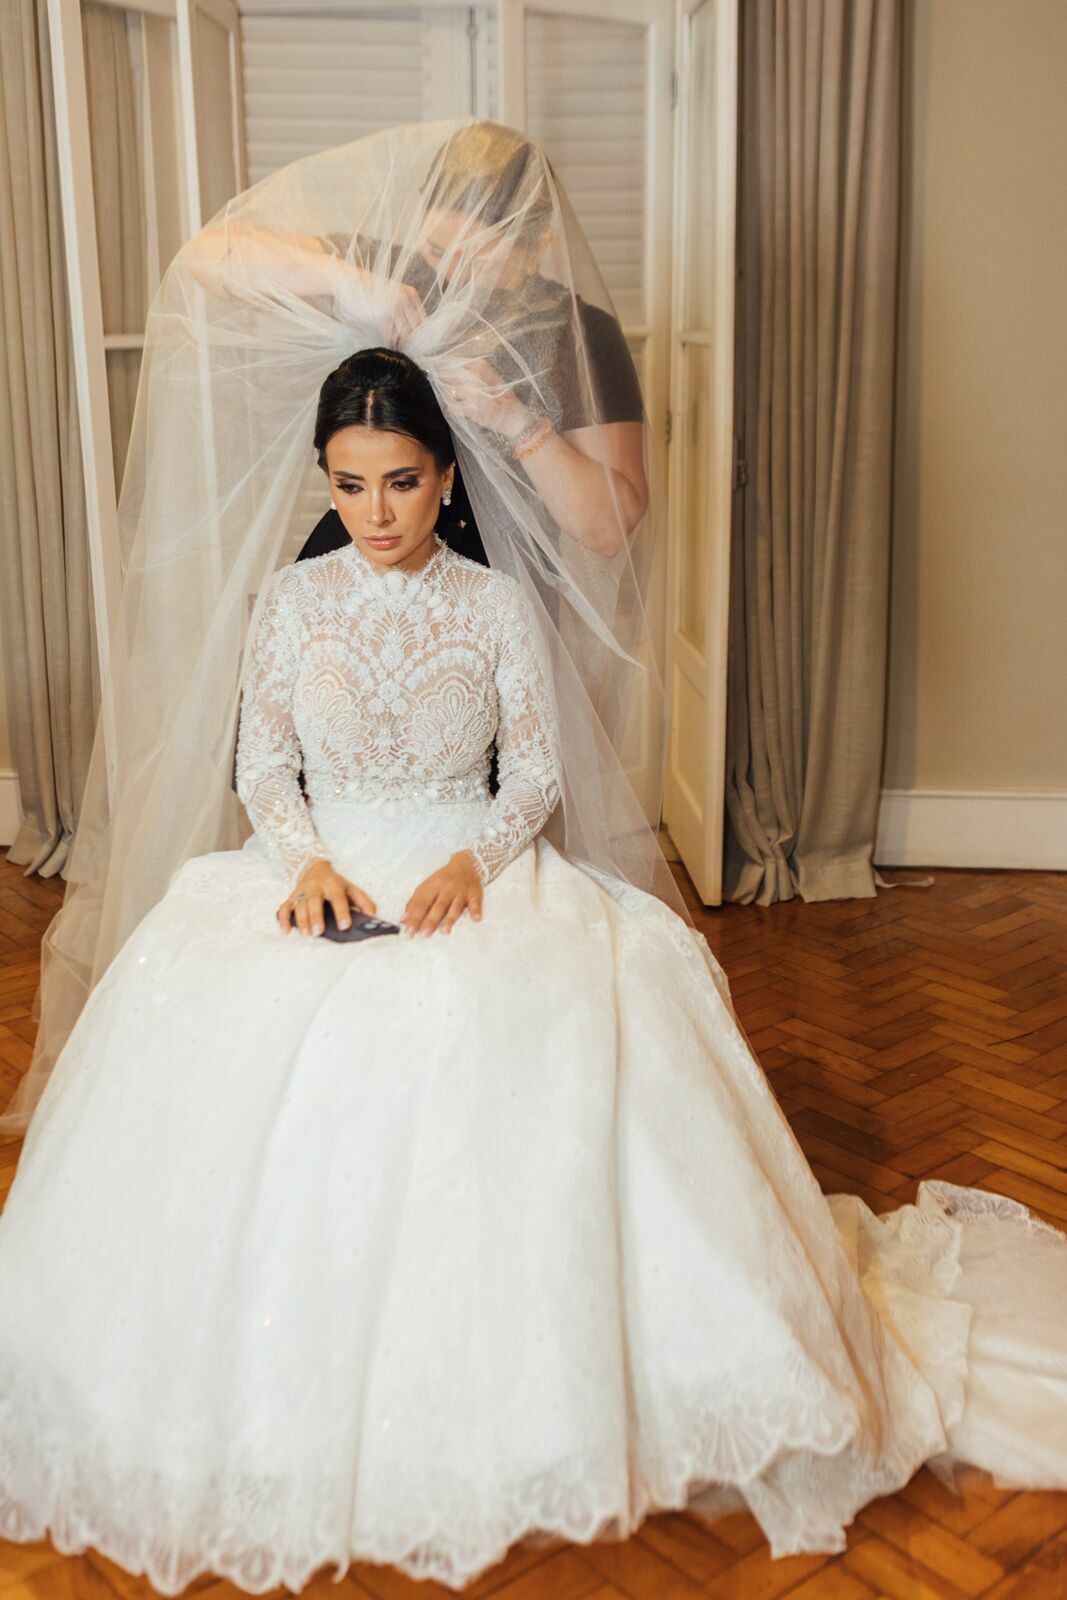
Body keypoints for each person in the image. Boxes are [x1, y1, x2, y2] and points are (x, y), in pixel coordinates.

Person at [1, 343, 1067, 1599]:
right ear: (326, 483)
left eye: (400, 481)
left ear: (445, 476)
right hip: (320, 868)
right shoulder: (291, 605)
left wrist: (474, 855)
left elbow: (539, 776)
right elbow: (265, 768)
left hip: (468, 860)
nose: (376, 512)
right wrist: (298, 863)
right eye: (349, 485)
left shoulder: (494, 605)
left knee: (537, 1034)